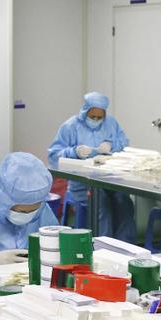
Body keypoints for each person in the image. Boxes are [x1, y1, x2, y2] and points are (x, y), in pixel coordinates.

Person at [47, 91, 135, 242]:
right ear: (85, 111)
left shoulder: (111, 124)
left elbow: (124, 143)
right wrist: (74, 152)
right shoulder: (70, 126)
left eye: (99, 117)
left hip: (110, 180)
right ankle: (104, 246)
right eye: (92, 117)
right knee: (101, 204)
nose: (96, 120)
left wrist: (112, 145)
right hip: (82, 185)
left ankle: (125, 246)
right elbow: (54, 155)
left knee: (124, 202)